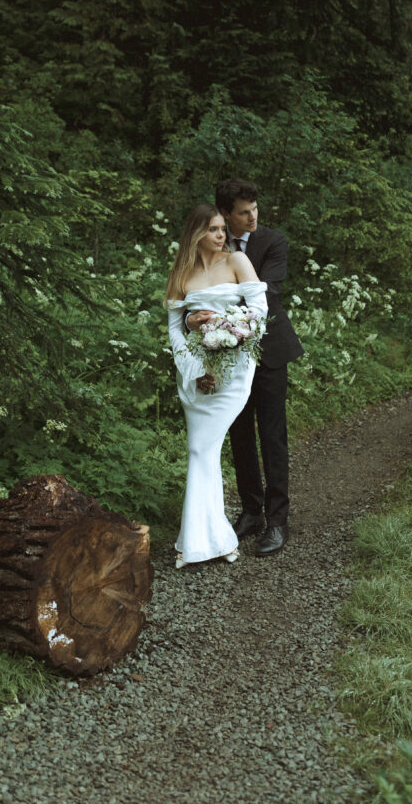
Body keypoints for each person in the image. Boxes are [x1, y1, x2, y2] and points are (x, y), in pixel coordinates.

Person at [187, 178, 302, 557]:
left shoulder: (273, 242)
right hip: (226, 356)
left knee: (272, 435)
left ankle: (277, 521)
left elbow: (269, 291)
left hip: (268, 351)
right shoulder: (213, 243)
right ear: (225, 214)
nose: (252, 216)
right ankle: (251, 512)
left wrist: (219, 310)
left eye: (255, 209)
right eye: (243, 212)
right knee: (238, 434)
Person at [165, 203, 268, 570]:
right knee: (200, 450)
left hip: (234, 368)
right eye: (213, 229)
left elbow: (258, 311)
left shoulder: (238, 262)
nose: (222, 235)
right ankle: (210, 540)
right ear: (196, 233)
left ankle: (198, 542)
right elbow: (176, 328)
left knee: (201, 449)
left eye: (223, 228)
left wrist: (228, 326)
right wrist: (193, 369)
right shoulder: (182, 272)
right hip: (196, 372)